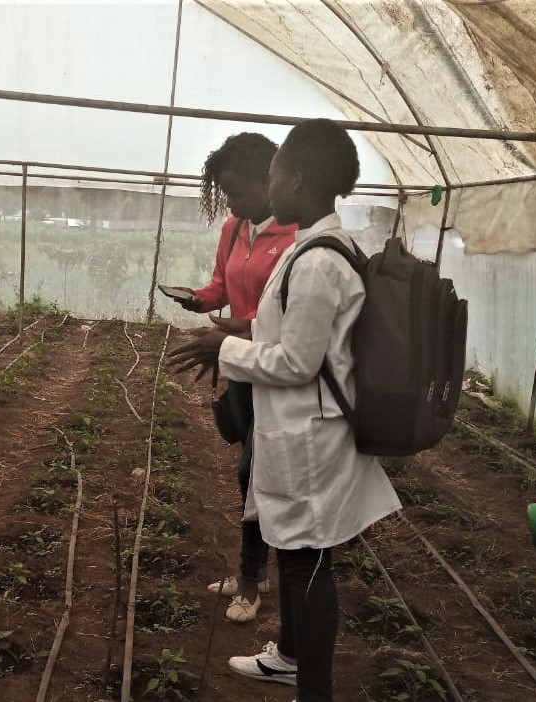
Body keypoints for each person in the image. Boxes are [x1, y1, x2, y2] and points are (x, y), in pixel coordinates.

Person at [167, 119, 401, 702]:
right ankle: (291, 658)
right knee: (301, 558)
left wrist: (226, 348)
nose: (266, 186)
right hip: (301, 431)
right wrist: (226, 346)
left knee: (306, 565)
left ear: (296, 179)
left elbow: (297, 362)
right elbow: (287, 335)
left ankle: (310, 688)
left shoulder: (320, 260)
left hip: (311, 440)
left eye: (272, 174)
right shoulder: (315, 248)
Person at [165, 132, 299, 623]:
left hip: (278, 370)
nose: (233, 202)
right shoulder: (233, 230)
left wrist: (237, 334)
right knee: (248, 470)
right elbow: (223, 285)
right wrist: (199, 300)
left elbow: (286, 318)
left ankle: (251, 580)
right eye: (226, 192)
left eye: (239, 191)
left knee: (254, 471)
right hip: (241, 366)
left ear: (272, 180)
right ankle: (257, 570)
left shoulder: (297, 238)